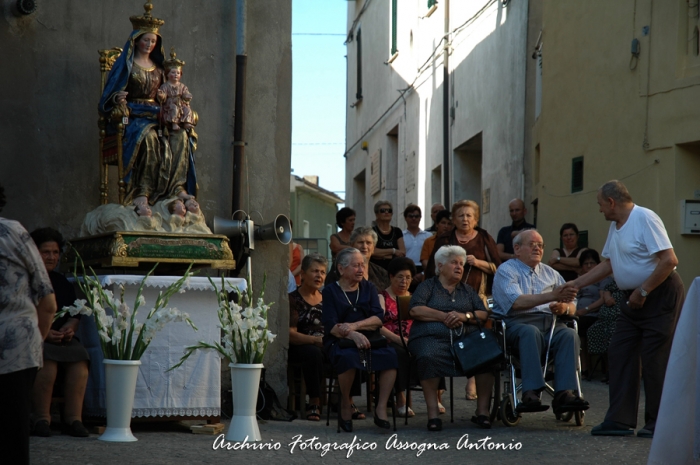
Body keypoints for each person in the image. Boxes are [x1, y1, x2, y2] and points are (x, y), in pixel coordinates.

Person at [565, 180, 684, 438]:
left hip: (658, 293)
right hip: (632, 298)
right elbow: (609, 264)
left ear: (611, 202)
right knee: (620, 351)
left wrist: (644, 291)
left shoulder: (645, 218)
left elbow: (669, 260)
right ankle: (619, 420)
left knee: (655, 359)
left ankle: (658, 423)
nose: (599, 210)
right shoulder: (615, 226)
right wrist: (576, 283)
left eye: (599, 204)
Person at [98, 3, 197, 207]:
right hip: (133, 117)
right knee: (150, 137)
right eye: (146, 40)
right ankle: (142, 192)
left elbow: (169, 92)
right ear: (136, 40)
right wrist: (117, 98)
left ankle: (176, 189)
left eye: (153, 41)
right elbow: (109, 96)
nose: (150, 44)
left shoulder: (161, 69)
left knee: (180, 136)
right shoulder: (126, 65)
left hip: (158, 114)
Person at [492, 229, 588, 415]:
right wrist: (552, 296)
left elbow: (572, 302)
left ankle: (565, 393)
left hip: (551, 323)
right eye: (532, 244)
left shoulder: (551, 273)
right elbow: (517, 302)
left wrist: (565, 308)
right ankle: (531, 392)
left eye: (541, 245)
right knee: (530, 332)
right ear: (517, 249)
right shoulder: (507, 270)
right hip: (518, 324)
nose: (538, 248)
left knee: (569, 334)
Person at [408, 245, 495, 431]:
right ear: (440, 265)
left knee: (488, 356)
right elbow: (415, 309)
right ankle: (433, 414)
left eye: (461, 264)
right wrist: (444, 316)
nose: (459, 267)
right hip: (431, 338)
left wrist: (465, 317)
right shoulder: (427, 286)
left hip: (465, 340)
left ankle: (482, 413)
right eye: (454, 262)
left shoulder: (467, 290)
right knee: (427, 355)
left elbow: (483, 313)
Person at [0, 183, 57, 464]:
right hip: (17, 347)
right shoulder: (14, 233)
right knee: (13, 432)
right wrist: (37, 345)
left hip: (16, 346)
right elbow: (48, 302)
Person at [425, 200, 501, 400]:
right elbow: (432, 270)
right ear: (453, 219)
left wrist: (479, 263)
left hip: (479, 297)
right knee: (441, 336)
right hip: (446, 297)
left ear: (475, 219)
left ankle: (472, 381)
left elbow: (499, 268)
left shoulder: (484, 238)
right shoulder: (444, 239)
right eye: (460, 215)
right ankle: (439, 391)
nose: (465, 219)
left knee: (479, 336)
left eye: (469, 215)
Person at [322, 248, 398, 432]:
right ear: (341, 269)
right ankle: (346, 403)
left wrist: (355, 327)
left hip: (370, 337)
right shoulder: (330, 291)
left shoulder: (369, 287)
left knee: (390, 357)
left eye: (362, 265)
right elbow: (331, 325)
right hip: (340, 340)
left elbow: (378, 318)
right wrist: (352, 335)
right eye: (355, 265)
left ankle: (381, 407)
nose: (361, 269)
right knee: (348, 358)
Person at [29, 228, 90, 438]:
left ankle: (74, 419)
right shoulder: (27, 280)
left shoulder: (62, 282)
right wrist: (44, 334)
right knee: (48, 363)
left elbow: (75, 313)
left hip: (62, 340)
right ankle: (41, 419)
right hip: (37, 338)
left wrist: (70, 328)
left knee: (80, 360)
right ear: (35, 253)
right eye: (46, 252)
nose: (52, 257)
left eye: (55, 252)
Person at [288, 253, 327, 421]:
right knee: (313, 353)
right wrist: (315, 340)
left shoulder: (328, 298)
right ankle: (314, 401)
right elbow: (291, 335)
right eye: (315, 271)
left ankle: (347, 401)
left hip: (325, 344)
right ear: (302, 274)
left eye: (323, 272)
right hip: (301, 346)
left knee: (348, 349)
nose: (319, 276)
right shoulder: (293, 299)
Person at [378, 257, 417, 417]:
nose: (404, 281)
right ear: (391, 276)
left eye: (408, 278)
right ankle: (401, 398)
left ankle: (435, 396)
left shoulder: (414, 298)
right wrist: (400, 340)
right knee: (398, 352)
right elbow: (378, 325)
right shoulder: (382, 297)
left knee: (430, 348)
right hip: (390, 340)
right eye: (400, 277)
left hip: (412, 339)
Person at [573, 249, 610, 378]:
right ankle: (584, 367)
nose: (589, 266)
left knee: (580, 326)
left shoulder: (603, 279)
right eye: (586, 263)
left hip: (595, 315)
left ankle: (589, 368)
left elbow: (602, 299)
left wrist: (585, 310)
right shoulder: (581, 280)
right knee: (573, 327)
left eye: (592, 263)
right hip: (580, 314)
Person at [326, 227, 390, 292]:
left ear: (373, 248)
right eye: (360, 242)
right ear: (352, 245)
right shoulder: (341, 267)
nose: (364, 246)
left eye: (368, 243)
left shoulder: (381, 273)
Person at [158, 49, 194, 132]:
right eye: (173, 73)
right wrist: (161, 95)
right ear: (167, 74)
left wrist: (187, 96)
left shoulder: (182, 86)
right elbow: (163, 96)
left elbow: (185, 93)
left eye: (178, 73)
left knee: (187, 109)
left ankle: (186, 122)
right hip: (169, 105)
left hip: (180, 104)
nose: (175, 75)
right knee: (174, 109)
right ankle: (174, 123)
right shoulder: (165, 86)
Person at [370, 200, 406, 271]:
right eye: (383, 210)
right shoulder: (372, 231)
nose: (386, 212)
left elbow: (402, 252)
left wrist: (382, 255)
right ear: (377, 214)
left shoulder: (397, 231)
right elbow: (372, 251)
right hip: (376, 270)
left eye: (389, 210)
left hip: (394, 270)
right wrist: (393, 251)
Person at [402, 204, 432, 275]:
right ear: (405, 218)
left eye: (416, 216)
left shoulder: (428, 236)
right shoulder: (401, 236)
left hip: (424, 269)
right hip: (405, 269)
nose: (413, 218)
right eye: (411, 216)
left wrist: (422, 273)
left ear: (420, 218)